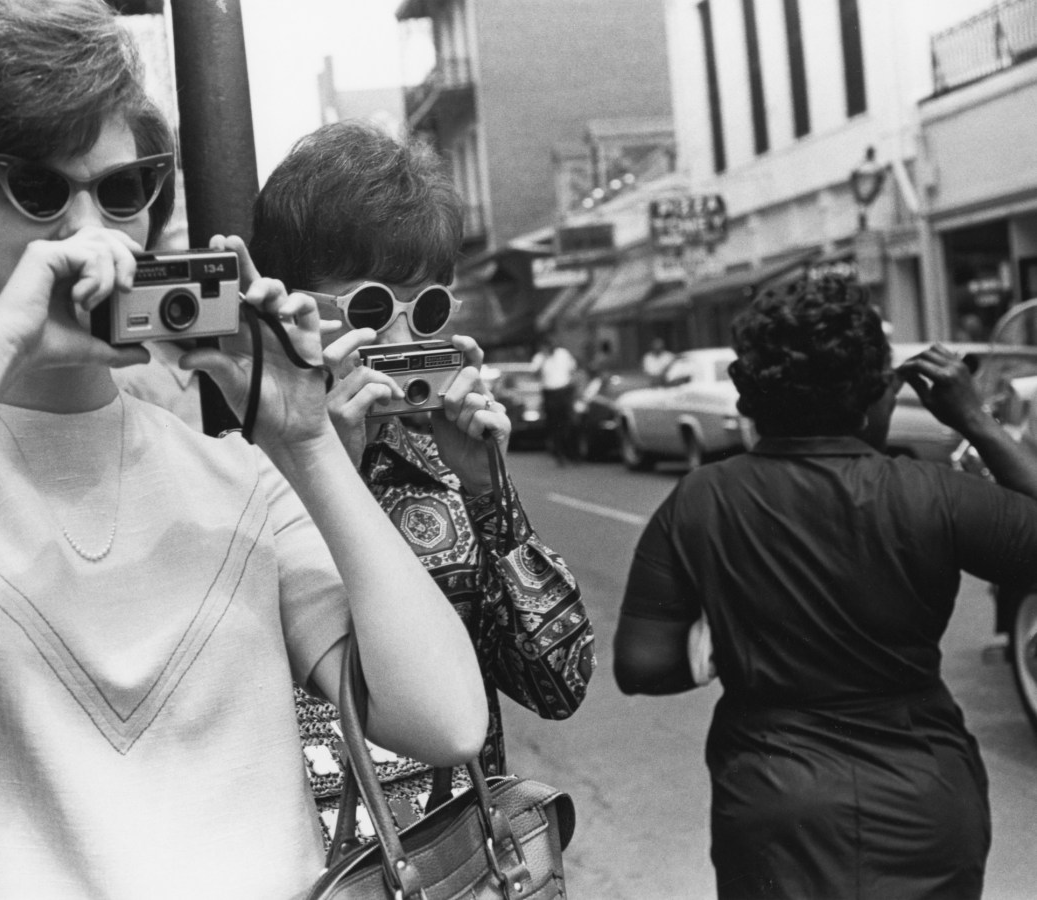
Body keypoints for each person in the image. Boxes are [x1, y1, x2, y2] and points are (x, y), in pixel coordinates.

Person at [0, 3, 487, 898]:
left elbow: (446, 721)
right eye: (39, 190)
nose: (90, 230)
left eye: (122, 191)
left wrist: (306, 443)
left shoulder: (241, 478)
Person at [613, 276, 1037, 899]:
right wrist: (975, 418)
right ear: (871, 397)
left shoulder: (701, 500)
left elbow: (642, 665)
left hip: (773, 806)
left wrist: (737, 644)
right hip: (923, 800)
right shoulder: (936, 496)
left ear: (752, 396)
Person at [250, 121, 593, 838]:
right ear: (292, 305)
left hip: (456, 860)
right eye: (373, 309)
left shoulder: (442, 463)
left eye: (428, 309)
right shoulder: (232, 468)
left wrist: (489, 494)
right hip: (302, 860)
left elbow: (558, 683)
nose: (404, 342)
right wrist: (323, 464)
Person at [530, 336, 579, 464]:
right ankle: (559, 453)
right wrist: (543, 359)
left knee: (569, 422)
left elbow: (573, 369)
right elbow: (535, 374)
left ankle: (572, 453)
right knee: (554, 424)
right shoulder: (539, 358)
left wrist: (572, 387)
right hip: (550, 393)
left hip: (565, 391)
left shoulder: (563, 354)